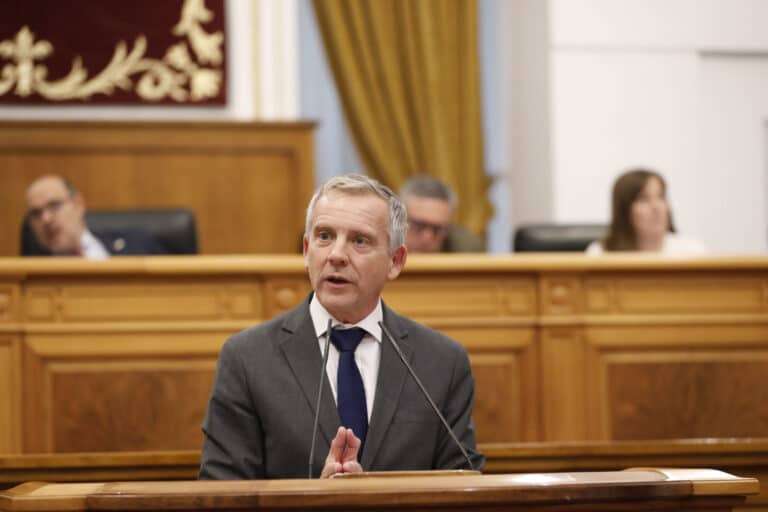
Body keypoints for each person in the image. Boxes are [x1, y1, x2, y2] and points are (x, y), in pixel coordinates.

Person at [199, 173, 484, 480]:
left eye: (359, 241)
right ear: (306, 250)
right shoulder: (248, 358)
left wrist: (372, 496)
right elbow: (222, 490)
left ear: (395, 261)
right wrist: (314, 498)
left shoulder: (442, 362)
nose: (336, 255)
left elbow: (464, 483)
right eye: (324, 237)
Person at [23, 175, 163, 258]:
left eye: (54, 205)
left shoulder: (136, 241)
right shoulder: (30, 275)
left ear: (78, 204)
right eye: (36, 214)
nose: (46, 219)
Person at [586, 168, 706, 255]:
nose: (656, 207)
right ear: (624, 210)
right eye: (643, 199)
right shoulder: (600, 253)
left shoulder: (692, 251)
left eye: (661, 197)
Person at [399, 175, 484, 253]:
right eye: (418, 225)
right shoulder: (390, 240)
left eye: (437, 229)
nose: (427, 238)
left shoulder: (467, 250)